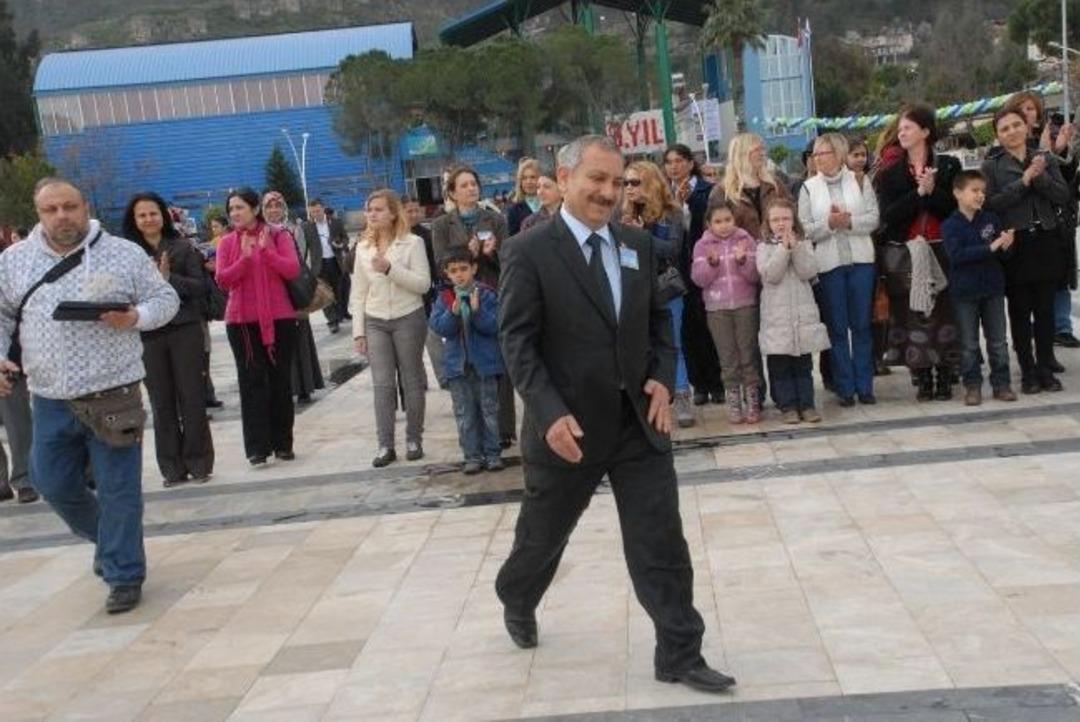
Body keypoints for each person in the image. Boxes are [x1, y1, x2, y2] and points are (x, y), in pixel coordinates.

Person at [495, 135, 735, 694]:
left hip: (637, 423)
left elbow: (658, 326)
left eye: (617, 181)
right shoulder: (527, 252)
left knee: (661, 541)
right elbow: (518, 343)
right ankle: (517, 593)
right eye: (596, 179)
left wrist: (660, 375)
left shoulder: (637, 245)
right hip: (567, 433)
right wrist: (549, 413)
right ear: (565, 176)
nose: (608, 192)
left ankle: (679, 651)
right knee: (541, 539)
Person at [0, 177, 179, 613]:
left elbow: (166, 299)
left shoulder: (123, 253)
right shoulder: (14, 261)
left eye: (69, 207)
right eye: (51, 210)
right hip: (49, 397)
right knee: (49, 481)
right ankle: (111, 540)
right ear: (38, 214)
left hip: (113, 394)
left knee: (119, 490)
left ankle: (123, 574)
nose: (62, 216)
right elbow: (3, 315)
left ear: (85, 207)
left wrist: (136, 316)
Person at [122, 192, 214, 486]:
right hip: (148, 335)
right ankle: (171, 468)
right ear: (134, 221)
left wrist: (168, 278)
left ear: (163, 216)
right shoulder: (128, 254)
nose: (149, 219)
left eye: (153, 213)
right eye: (142, 215)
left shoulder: (181, 247)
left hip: (184, 330)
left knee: (192, 397)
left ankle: (199, 463)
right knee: (161, 403)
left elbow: (200, 287)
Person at [873, 104, 962, 401]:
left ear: (925, 131)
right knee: (912, 316)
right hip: (908, 253)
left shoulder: (948, 166)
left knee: (944, 313)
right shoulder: (889, 175)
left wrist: (934, 191)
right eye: (900, 128)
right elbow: (890, 216)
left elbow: (955, 211)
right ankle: (922, 376)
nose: (902, 132)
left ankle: (945, 375)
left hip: (943, 248)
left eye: (908, 127)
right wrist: (919, 193)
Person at [983, 108, 1073, 394]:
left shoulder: (1045, 158)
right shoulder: (992, 165)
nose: (1011, 131)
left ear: (1027, 127)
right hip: (1015, 244)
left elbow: (1063, 195)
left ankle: (1046, 368)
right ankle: (1028, 371)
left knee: (1045, 310)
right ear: (997, 135)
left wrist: (1039, 176)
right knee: (1020, 312)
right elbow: (991, 204)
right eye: (1004, 128)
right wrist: (1023, 182)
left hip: (1046, 239)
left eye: (1016, 125)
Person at [432, 166, 516, 447]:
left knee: (496, 359)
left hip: (490, 292)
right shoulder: (443, 225)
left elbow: (510, 260)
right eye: (464, 185)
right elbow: (440, 263)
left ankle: (503, 429)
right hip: (459, 296)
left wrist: (492, 253)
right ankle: (473, 433)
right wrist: (468, 254)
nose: (471, 189)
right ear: (453, 192)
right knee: (465, 361)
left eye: (474, 183)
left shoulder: (494, 219)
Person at [216, 188, 301, 466]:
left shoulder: (279, 235)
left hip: (280, 318)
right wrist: (245, 260)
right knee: (252, 383)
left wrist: (267, 253)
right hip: (242, 322)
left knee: (279, 380)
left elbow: (292, 270)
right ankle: (257, 448)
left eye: (240, 207)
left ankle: (283, 443)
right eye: (231, 209)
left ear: (255, 209)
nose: (234, 214)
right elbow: (223, 280)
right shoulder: (227, 242)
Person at [798, 133, 881, 406]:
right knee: (836, 328)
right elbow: (806, 228)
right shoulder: (808, 187)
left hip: (861, 263)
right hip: (828, 265)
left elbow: (873, 219)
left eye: (823, 153)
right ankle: (845, 388)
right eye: (815, 154)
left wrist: (848, 221)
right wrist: (830, 224)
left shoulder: (859, 180)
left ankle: (865, 385)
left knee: (861, 325)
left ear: (838, 154)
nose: (817, 159)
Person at [351, 190, 431, 468]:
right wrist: (358, 331)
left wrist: (390, 269)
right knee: (382, 384)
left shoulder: (413, 243)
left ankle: (414, 439)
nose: (372, 214)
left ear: (393, 213)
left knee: (411, 380)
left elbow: (423, 284)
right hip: (375, 320)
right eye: (369, 209)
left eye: (379, 209)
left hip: (408, 316)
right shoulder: (362, 248)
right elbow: (358, 292)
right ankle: (385, 445)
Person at [622, 160, 695, 428]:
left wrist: (642, 236)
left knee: (672, 343)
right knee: (641, 347)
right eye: (625, 183)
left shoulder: (670, 212)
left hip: (665, 288)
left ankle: (682, 395)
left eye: (635, 182)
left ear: (650, 182)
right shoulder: (621, 214)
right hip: (634, 288)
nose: (629, 188)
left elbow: (673, 250)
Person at [1005, 91, 1080, 352]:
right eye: (1022, 109)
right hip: (1023, 227)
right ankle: (1028, 339)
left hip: (1056, 222)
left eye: (1031, 109)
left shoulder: (1047, 145)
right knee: (1026, 289)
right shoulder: (1004, 151)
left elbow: (1067, 185)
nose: (1028, 114)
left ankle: (1061, 329)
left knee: (1058, 277)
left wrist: (1060, 151)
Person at [941, 170, 1018, 405]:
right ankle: (972, 385)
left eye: (982, 191)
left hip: (993, 288)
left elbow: (1002, 255)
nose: (980, 195)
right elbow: (957, 256)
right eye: (974, 190)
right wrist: (990, 248)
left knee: (998, 341)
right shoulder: (950, 225)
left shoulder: (991, 220)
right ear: (957, 193)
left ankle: (1001, 383)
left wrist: (1006, 246)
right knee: (969, 343)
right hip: (964, 292)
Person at [429, 246, 505, 474]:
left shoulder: (487, 294)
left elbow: (495, 325)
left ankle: (492, 453)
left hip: (485, 366)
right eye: (454, 270)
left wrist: (478, 311)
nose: (459, 274)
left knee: (489, 411)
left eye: (464, 268)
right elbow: (439, 328)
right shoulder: (444, 297)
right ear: (446, 273)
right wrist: (452, 313)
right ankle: (472, 455)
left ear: (474, 268)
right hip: (457, 367)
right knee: (465, 413)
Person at [757, 198, 830, 424]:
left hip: (802, 316)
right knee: (780, 365)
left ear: (794, 220)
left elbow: (808, 271)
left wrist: (795, 248)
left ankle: (807, 404)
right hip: (776, 318)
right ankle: (787, 405)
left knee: (803, 363)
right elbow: (770, 275)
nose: (781, 223)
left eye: (786, 218)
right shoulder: (763, 247)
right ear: (768, 223)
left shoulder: (804, 243)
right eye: (776, 219)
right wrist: (782, 250)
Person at [664, 143, 725, 406]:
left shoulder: (707, 190)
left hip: (704, 264)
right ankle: (698, 384)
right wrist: (676, 203)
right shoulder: (663, 194)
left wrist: (690, 201)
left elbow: (715, 222)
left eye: (679, 161)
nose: (674, 166)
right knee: (686, 330)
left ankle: (717, 383)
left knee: (708, 327)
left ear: (690, 163)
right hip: (677, 270)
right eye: (669, 162)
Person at [691, 201, 761, 424]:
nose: (723, 226)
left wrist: (742, 261)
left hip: (745, 305)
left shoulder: (745, 240)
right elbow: (698, 279)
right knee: (727, 357)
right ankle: (733, 400)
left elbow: (755, 276)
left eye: (727, 220)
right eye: (718, 222)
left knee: (748, 354)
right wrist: (711, 265)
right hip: (717, 309)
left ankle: (752, 399)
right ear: (709, 224)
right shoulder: (702, 245)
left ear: (735, 220)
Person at [264, 191, 324, 404]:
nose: (273, 211)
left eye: (277, 206)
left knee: (299, 339)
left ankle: (305, 386)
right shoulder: (261, 233)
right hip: (272, 294)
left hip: (294, 291)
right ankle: (286, 387)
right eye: (269, 207)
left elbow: (297, 260)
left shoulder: (292, 230)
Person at [404, 196, 444, 390]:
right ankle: (420, 382)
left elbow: (435, 265)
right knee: (411, 346)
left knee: (433, 341)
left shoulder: (426, 235)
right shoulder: (396, 236)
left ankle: (445, 379)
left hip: (427, 297)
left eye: (416, 210)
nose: (413, 214)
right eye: (409, 211)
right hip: (405, 298)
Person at [301, 198, 350, 334]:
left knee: (338, 291)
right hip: (319, 265)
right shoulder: (307, 227)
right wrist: (302, 267)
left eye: (317, 210)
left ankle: (340, 314)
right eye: (313, 212)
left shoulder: (335, 223)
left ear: (323, 208)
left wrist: (340, 244)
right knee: (325, 294)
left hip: (336, 262)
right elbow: (304, 248)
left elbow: (345, 238)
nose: (315, 214)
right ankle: (332, 321)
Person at [505, 158, 542, 237]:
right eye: (524, 178)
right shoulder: (514, 210)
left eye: (532, 177)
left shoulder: (550, 203)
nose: (528, 182)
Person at [520, 167, 562, 232]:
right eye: (538, 187)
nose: (540, 192)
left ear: (561, 188)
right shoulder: (530, 223)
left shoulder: (574, 215)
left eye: (546, 187)